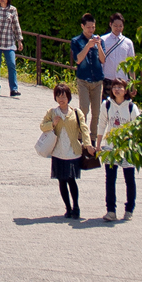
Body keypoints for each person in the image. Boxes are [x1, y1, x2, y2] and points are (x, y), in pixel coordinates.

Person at [40, 84, 86, 219]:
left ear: (69, 97)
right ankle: (68, 207)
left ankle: (76, 206)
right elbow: (42, 127)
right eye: (59, 96)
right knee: (61, 180)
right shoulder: (52, 112)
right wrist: (53, 124)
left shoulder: (76, 112)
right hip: (58, 151)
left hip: (72, 150)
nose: (61, 99)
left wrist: (88, 144)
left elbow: (84, 129)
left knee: (71, 179)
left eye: (64, 96)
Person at [102, 77, 140, 221]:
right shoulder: (106, 105)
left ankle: (129, 209)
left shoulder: (132, 107)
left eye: (120, 87)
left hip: (127, 148)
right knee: (110, 179)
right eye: (114, 87)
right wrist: (99, 143)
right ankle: (110, 210)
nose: (117, 89)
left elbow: (137, 129)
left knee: (129, 179)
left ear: (126, 90)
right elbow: (101, 124)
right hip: (110, 147)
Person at [73, 14, 107, 147]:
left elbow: (103, 60)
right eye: (88, 27)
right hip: (83, 79)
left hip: (97, 80)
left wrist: (98, 46)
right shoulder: (76, 41)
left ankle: (93, 138)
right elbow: (78, 59)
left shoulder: (100, 40)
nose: (91, 30)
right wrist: (88, 46)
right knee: (84, 108)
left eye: (93, 27)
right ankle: (81, 136)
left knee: (97, 111)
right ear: (82, 26)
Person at [102, 13, 136, 92]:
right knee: (106, 103)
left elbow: (131, 64)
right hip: (107, 79)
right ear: (110, 24)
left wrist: (133, 83)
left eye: (120, 26)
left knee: (121, 103)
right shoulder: (103, 40)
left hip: (122, 80)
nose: (118, 28)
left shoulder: (128, 42)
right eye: (115, 26)